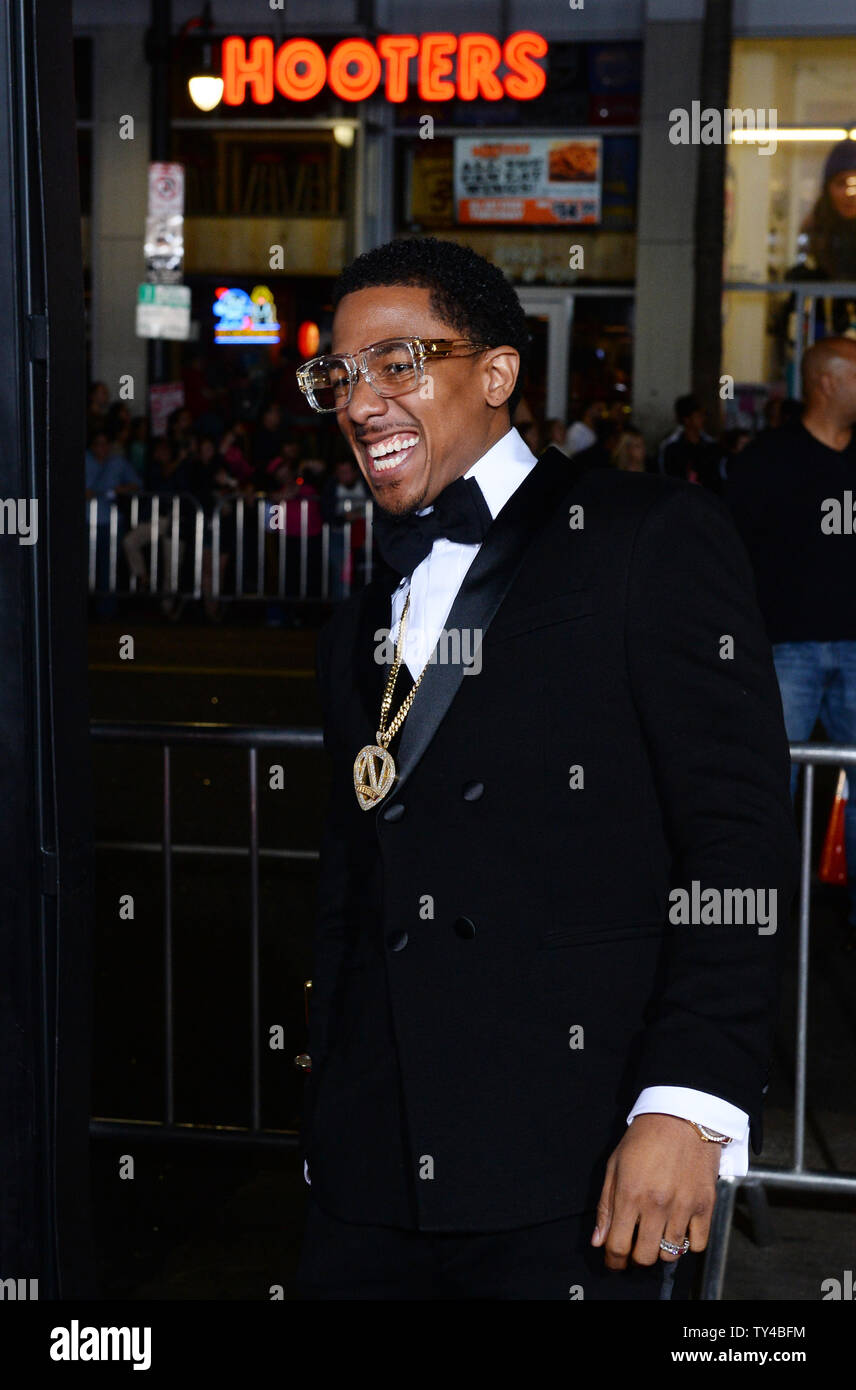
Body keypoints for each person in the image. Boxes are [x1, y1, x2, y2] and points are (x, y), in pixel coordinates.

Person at [294, 235, 798, 1301]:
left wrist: (689, 1100)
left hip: (580, 1156)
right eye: (338, 374)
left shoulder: (646, 534)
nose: (360, 399)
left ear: (497, 371)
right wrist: (326, 1107)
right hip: (370, 1171)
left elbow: (738, 836)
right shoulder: (356, 617)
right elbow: (352, 876)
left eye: (398, 361)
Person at [727, 337, 856, 949]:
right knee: (768, 783)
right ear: (828, 382)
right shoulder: (768, 462)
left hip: (854, 649)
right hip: (787, 649)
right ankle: (757, 918)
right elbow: (732, 556)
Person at [84, 427, 141, 618]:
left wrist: (122, 489)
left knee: (108, 566)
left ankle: (106, 610)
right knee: (83, 565)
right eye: (98, 444)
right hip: (86, 521)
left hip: (111, 522)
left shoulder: (118, 462)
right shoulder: (83, 460)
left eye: (105, 444)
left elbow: (137, 484)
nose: (102, 448)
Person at [658, 393, 720, 490]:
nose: (702, 419)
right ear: (686, 419)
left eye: (703, 415)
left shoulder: (710, 445)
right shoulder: (671, 446)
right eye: (698, 416)